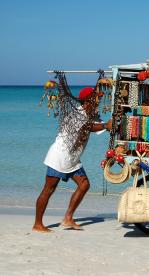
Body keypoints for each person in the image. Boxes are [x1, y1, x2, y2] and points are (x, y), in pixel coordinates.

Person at [32, 87, 112, 233]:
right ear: (88, 100)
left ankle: (68, 218)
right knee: (49, 189)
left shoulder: (91, 113)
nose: (99, 100)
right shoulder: (77, 114)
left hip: (72, 160)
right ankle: (37, 224)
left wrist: (112, 124)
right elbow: (88, 127)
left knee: (84, 184)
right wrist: (106, 125)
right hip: (59, 157)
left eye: (99, 98)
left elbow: (100, 126)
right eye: (97, 98)